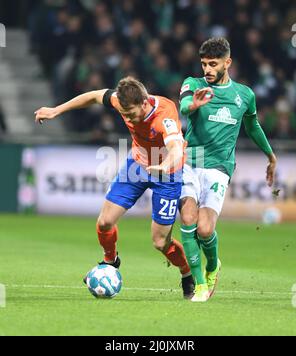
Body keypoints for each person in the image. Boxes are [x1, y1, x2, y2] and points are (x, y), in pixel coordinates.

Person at [35, 76, 195, 299]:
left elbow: (176, 149)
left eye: (131, 114)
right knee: (104, 222)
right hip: (137, 165)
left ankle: (187, 274)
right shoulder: (120, 101)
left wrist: (164, 165)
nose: (127, 117)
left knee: (160, 242)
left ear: (144, 102)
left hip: (167, 173)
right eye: (124, 113)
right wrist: (56, 110)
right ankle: (111, 260)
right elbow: (92, 96)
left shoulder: (164, 115)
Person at [179, 38, 277, 302]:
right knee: (188, 220)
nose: (207, 69)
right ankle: (200, 285)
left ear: (227, 63)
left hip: (220, 167)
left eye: (213, 64)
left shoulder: (244, 95)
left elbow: (253, 127)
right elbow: (184, 106)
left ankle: (213, 267)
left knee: (205, 230)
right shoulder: (193, 83)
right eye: (204, 64)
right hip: (189, 161)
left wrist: (270, 155)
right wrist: (193, 106)